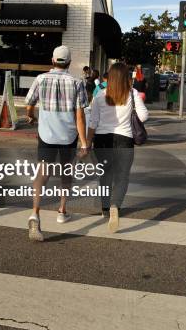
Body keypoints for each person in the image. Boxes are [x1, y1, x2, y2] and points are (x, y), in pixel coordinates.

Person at [26, 45, 88, 241]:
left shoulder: (41, 79)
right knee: (66, 173)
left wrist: (31, 117)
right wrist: (84, 142)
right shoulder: (77, 82)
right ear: (69, 63)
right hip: (68, 137)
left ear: (52, 61)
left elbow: (29, 104)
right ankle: (62, 210)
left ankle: (35, 213)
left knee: (42, 174)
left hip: (46, 135)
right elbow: (80, 116)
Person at [87, 62, 148, 233]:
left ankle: (105, 209)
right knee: (122, 178)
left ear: (110, 78)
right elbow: (143, 116)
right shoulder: (132, 94)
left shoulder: (99, 96)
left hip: (102, 140)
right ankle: (115, 206)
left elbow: (92, 123)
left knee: (105, 176)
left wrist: (87, 143)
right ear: (126, 78)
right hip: (125, 140)